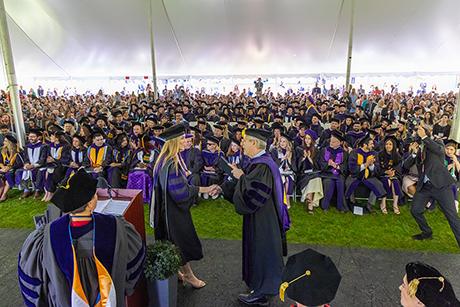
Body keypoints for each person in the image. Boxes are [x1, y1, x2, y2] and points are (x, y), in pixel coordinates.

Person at [18, 168, 145, 306]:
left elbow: (32, 279)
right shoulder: (118, 228)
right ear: (91, 203)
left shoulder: (46, 236)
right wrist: (122, 287)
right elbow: (134, 264)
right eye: (95, 195)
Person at [211, 128, 288, 306]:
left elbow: (254, 195)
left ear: (254, 143)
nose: (241, 143)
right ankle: (257, 285)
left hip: (263, 219)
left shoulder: (263, 166)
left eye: (245, 140)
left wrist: (241, 177)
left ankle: (262, 293)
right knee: (259, 250)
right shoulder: (260, 162)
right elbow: (247, 184)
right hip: (261, 216)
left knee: (262, 251)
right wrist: (225, 186)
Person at [150, 123, 212, 289]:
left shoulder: (162, 160)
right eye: (182, 139)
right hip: (173, 213)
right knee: (180, 244)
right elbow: (180, 194)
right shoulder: (172, 165)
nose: (186, 142)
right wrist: (200, 189)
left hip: (163, 211)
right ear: (174, 142)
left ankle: (176, 272)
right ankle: (190, 276)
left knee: (169, 241)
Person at [406, 125, 460, 247]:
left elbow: (439, 150)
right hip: (425, 187)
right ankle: (427, 232)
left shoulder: (438, 143)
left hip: (442, 186)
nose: (417, 135)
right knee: (415, 210)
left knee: (452, 216)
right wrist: (414, 154)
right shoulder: (420, 148)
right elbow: (406, 165)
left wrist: (424, 137)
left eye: (420, 133)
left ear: (426, 133)